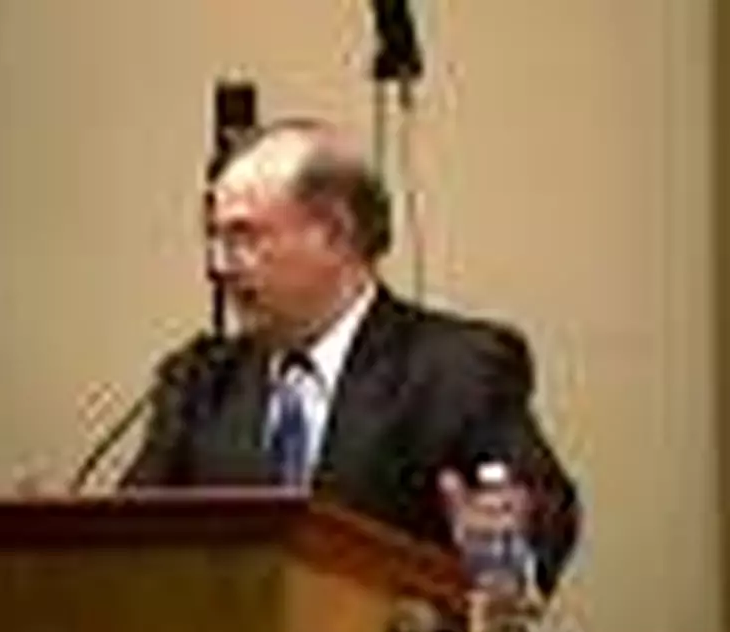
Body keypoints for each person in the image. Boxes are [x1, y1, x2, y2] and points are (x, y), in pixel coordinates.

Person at [118, 117, 580, 606]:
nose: (218, 265)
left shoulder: (455, 369)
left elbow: (542, 511)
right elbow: (123, 543)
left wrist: (506, 551)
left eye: (244, 237)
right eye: (215, 238)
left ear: (336, 234)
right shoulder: (199, 381)